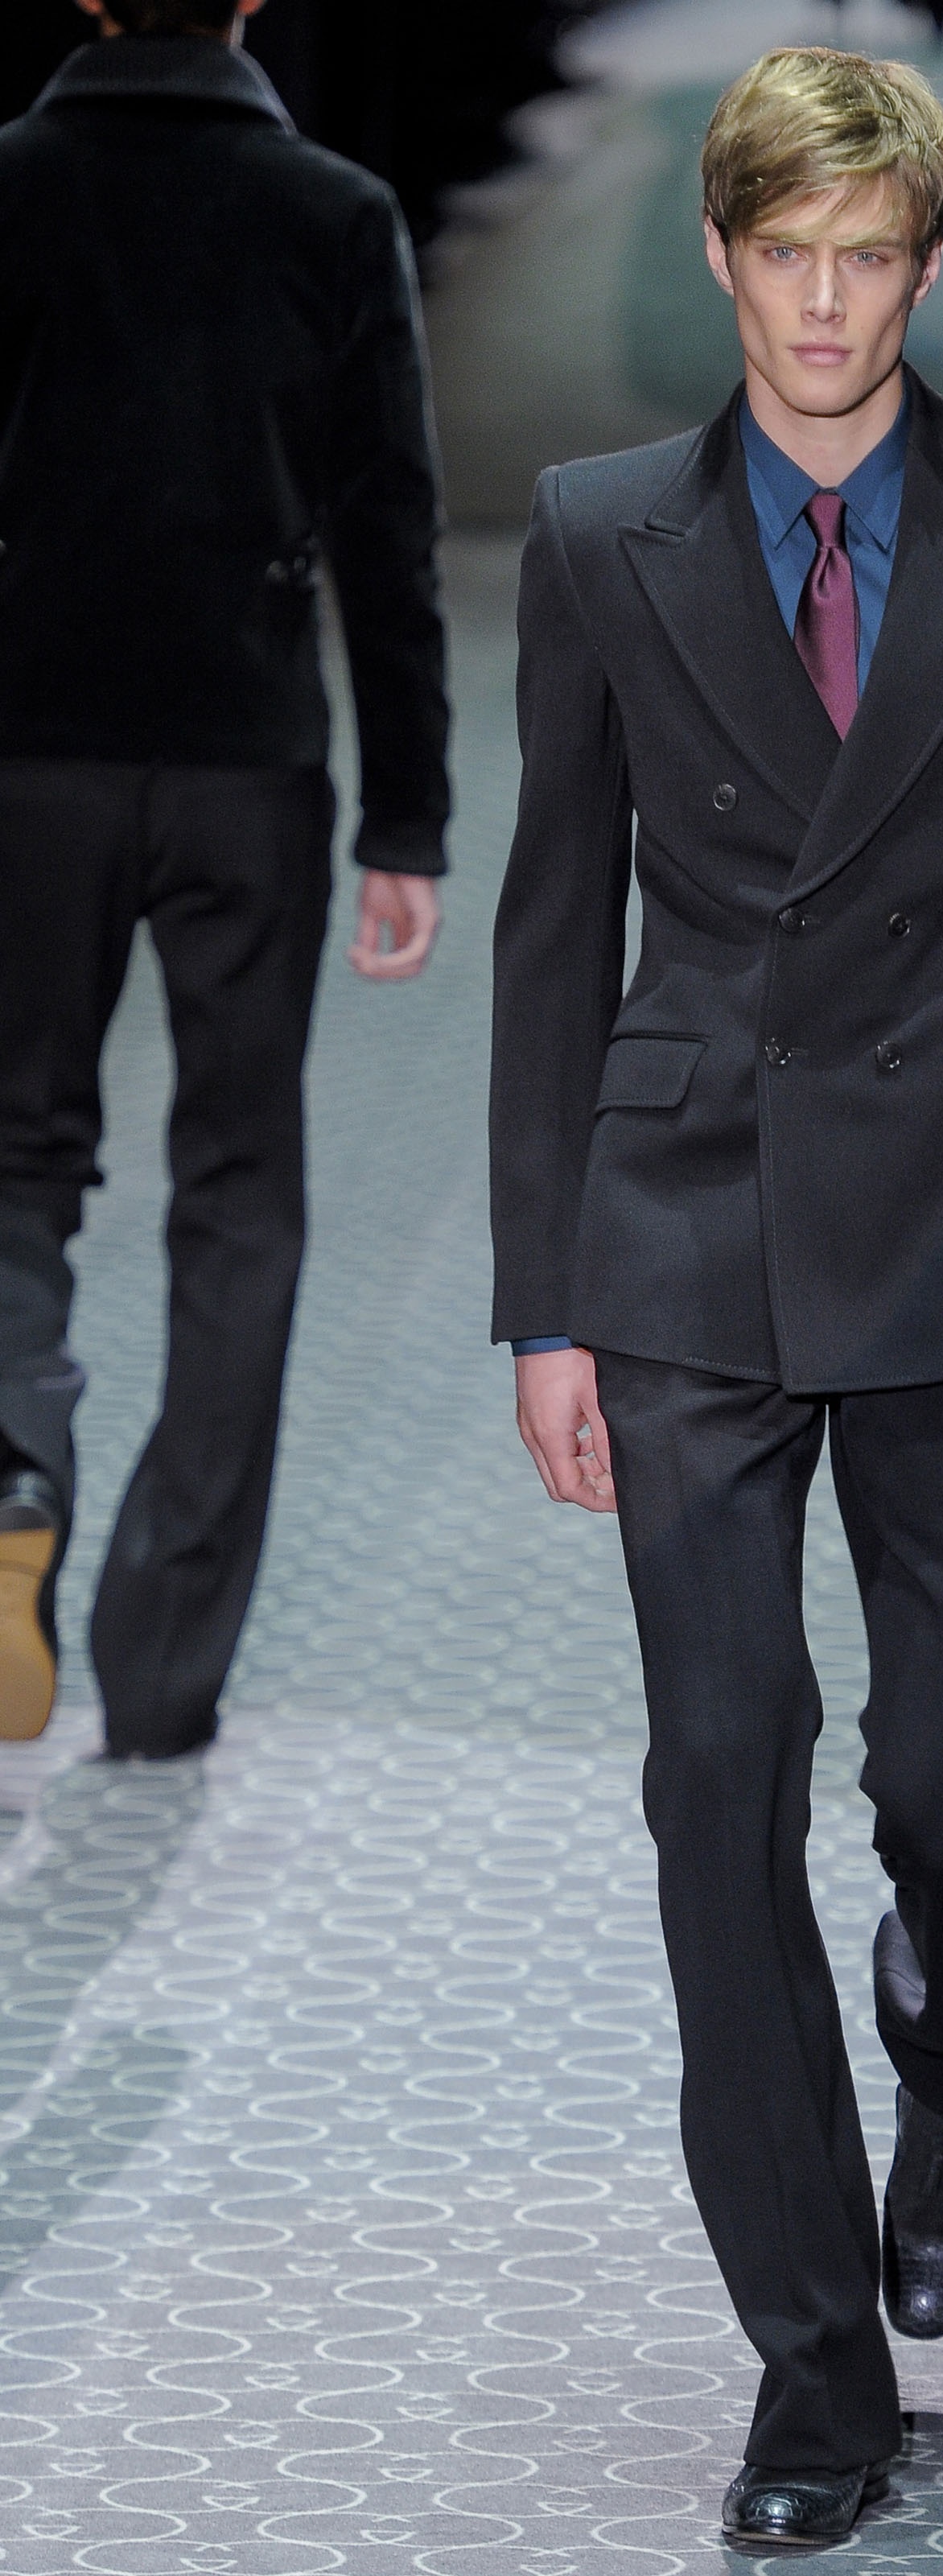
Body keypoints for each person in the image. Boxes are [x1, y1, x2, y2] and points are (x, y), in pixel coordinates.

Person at [490, 45, 943, 2549]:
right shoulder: (600, 532)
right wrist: (543, 1300)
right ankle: (813, 2378)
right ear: (718, 256)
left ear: (927, 267)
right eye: (784, 256)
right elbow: (552, 926)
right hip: (684, 1223)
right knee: (719, 1790)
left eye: (869, 259)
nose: (823, 308)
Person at [0, 0, 451, 1757]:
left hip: (27, 753)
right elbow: (388, 525)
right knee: (241, 1187)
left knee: (14, 1152)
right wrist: (404, 815)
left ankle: (13, 1460)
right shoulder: (332, 212)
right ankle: (167, 1658)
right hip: (248, 763)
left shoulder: (10, 186)